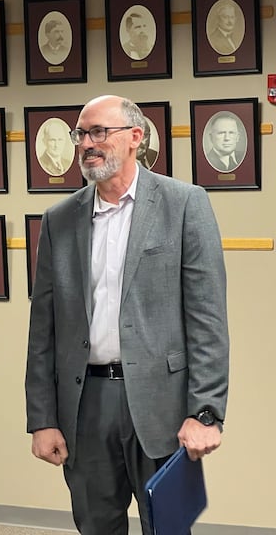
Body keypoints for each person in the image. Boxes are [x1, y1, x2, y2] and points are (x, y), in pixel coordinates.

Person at [25, 95, 229, 535]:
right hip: (86, 405)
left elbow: (207, 319)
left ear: (136, 137)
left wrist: (207, 412)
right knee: (97, 527)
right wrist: (42, 418)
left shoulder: (183, 204)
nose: (86, 144)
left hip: (163, 406)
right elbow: (43, 328)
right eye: (81, 134)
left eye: (99, 132)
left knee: (170, 528)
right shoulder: (60, 220)